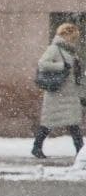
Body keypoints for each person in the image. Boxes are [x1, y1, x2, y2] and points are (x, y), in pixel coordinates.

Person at [32, 22, 84, 159]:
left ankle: (80, 151)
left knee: (74, 124)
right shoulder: (54, 48)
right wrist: (61, 66)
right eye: (72, 37)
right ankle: (36, 147)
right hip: (57, 94)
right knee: (48, 123)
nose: (74, 40)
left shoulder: (70, 51)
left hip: (70, 94)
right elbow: (42, 64)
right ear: (65, 35)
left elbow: (75, 75)